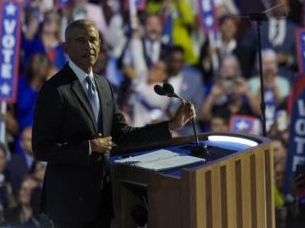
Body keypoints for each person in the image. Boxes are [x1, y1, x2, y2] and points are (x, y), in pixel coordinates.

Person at [32, 19, 195, 227]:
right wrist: (88, 147)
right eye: (81, 40)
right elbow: (41, 148)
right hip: (69, 203)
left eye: (93, 40)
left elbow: (123, 135)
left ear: (100, 44)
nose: (88, 46)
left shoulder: (104, 86)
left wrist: (171, 125)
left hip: (102, 198)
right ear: (66, 47)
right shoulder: (54, 90)